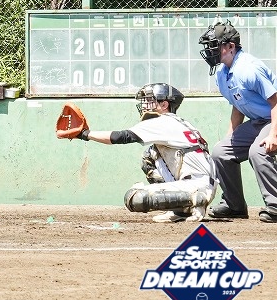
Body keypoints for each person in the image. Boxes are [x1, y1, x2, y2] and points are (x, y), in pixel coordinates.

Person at [64, 83, 217, 222]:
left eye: (150, 100)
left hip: (197, 184)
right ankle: (180, 210)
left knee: (135, 198)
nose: (144, 104)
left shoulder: (161, 122)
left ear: (164, 104)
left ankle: (196, 200)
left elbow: (121, 137)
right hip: (200, 181)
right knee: (149, 155)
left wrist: (84, 134)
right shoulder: (178, 122)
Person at [198, 20, 277, 223]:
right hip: (259, 121)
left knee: (258, 151)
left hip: (274, 118)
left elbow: (275, 102)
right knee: (221, 152)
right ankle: (234, 206)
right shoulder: (222, 74)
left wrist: (273, 135)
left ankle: (275, 205)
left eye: (215, 45)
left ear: (230, 46)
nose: (210, 51)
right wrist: (230, 136)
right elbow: (238, 105)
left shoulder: (249, 69)